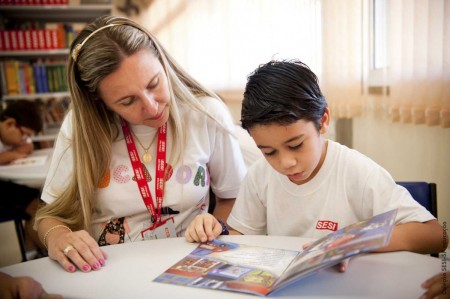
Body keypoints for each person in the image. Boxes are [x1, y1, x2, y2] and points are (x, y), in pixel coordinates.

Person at [34, 15, 246, 273]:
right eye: (127, 101)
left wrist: (215, 224)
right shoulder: (80, 127)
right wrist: (58, 237)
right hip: (108, 270)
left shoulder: (206, 113)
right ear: (99, 101)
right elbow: (49, 216)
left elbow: (233, 197)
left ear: (163, 63)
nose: (152, 107)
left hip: (189, 265)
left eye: (154, 83)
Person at [185, 59, 448, 262]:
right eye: (269, 152)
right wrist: (212, 228)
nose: (285, 163)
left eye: (296, 145)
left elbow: (436, 235)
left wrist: (357, 241)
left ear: (323, 121)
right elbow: (241, 237)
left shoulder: (356, 171)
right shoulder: (259, 175)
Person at [0, 100, 45, 257]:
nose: (24, 139)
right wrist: (13, 154)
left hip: (7, 185)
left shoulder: (11, 137)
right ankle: (42, 250)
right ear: (10, 123)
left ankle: (32, 251)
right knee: (37, 207)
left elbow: (29, 147)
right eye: (24, 134)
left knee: (39, 199)